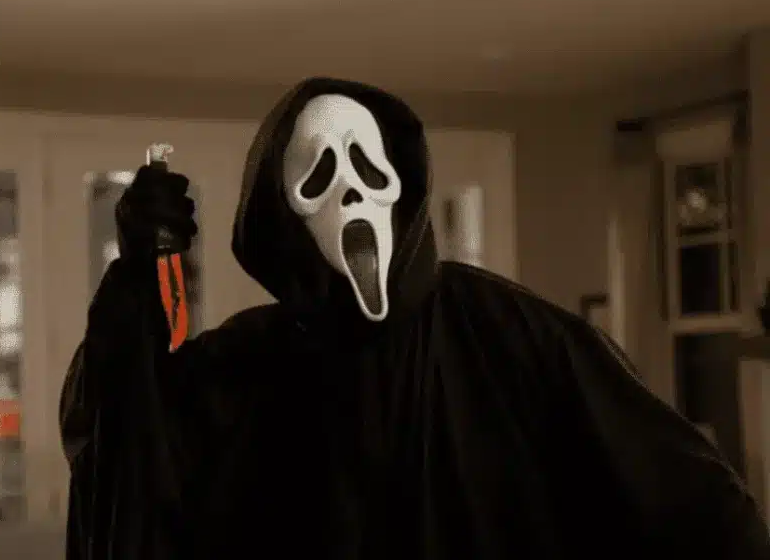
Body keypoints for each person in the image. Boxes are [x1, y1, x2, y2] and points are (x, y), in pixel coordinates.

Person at [60, 77, 770, 559]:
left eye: (366, 167)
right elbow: (127, 450)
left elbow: (700, 510)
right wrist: (137, 286)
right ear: (282, 218)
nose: (350, 194)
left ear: (402, 187)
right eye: (318, 177)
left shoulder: (514, 338)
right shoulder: (248, 365)